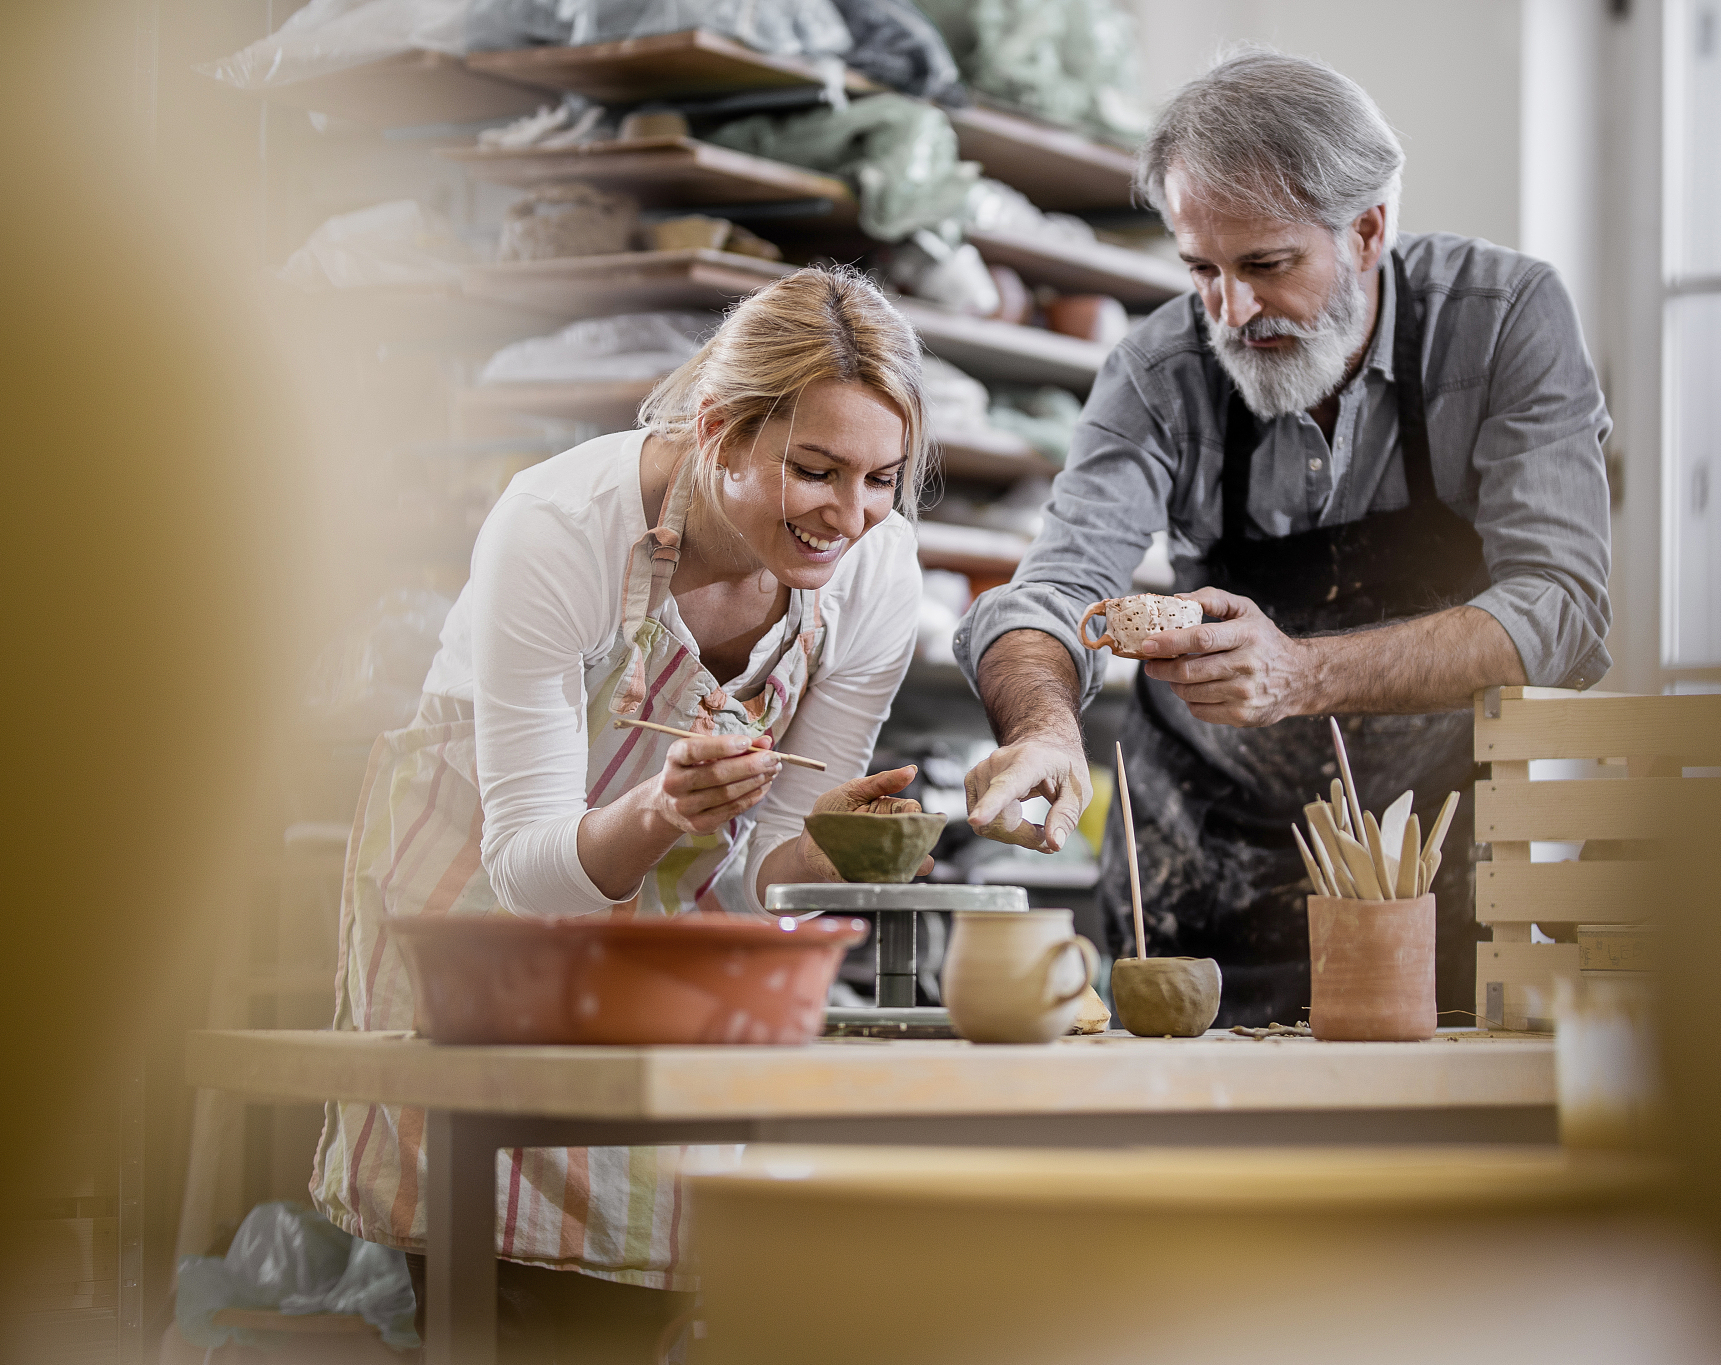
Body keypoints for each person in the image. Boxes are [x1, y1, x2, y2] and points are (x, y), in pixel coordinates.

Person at [310, 267, 933, 1326]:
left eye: (883, 480)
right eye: (817, 471)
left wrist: (829, 852)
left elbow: (755, 890)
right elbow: (526, 871)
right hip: (485, 910)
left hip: (673, 941)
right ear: (721, 430)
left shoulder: (875, 577)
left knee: (659, 1283)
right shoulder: (559, 524)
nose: (851, 515)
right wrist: (664, 811)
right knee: (499, 1297)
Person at [956, 50, 1613, 1027]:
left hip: (1430, 861)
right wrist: (1043, 728)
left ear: (1366, 230)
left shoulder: (1501, 318)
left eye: (1265, 265)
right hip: (1198, 862)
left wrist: (1300, 675)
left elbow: (1560, 610)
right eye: (1200, 271)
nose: (1230, 312)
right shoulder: (1155, 370)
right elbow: (1050, 594)